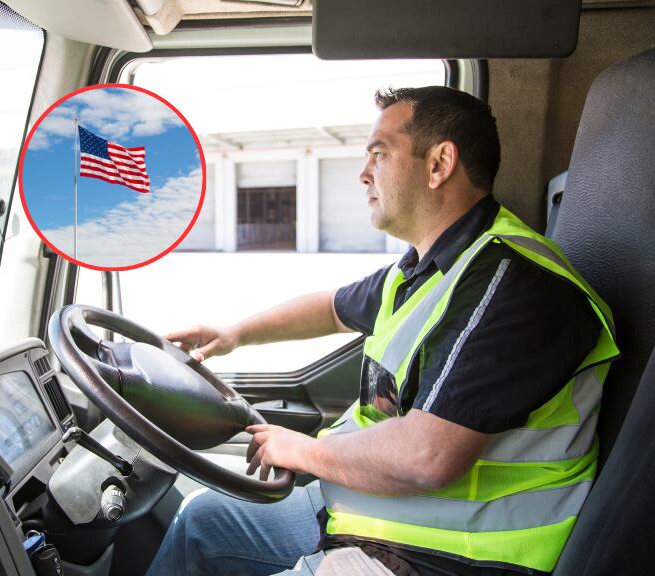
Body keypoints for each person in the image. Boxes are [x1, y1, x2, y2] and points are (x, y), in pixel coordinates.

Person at [145, 86, 618, 576]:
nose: (363, 173)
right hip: (373, 515)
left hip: (450, 556)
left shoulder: (515, 283)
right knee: (202, 519)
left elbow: (426, 457)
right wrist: (234, 333)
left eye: (379, 154)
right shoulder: (423, 268)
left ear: (439, 164)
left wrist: (306, 450)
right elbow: (330, 308)